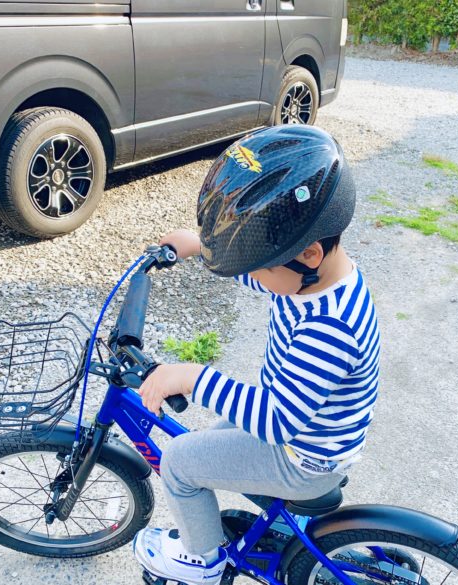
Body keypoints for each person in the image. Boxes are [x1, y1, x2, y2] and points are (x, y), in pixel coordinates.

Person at [134, 125, 381, 585]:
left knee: (181, 461)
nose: (254, 276)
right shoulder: (318, 279)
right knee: (218, 440)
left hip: (302, 455)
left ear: (307, 255)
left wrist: (190, 377)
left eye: (258, 265)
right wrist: (203, 248)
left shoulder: (330, 327)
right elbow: (271, 280)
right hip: (308, 431)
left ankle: (201, 563)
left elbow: (274, 422)